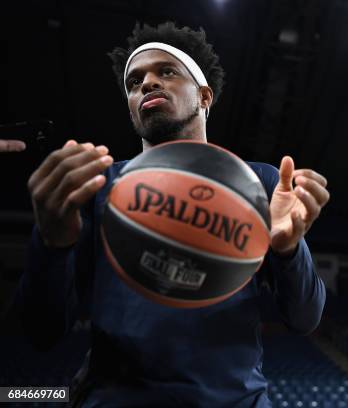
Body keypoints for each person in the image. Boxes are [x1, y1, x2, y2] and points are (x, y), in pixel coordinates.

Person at [12, 22, 329, 407]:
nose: (146, 84)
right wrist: (51, 243)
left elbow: (304, 318)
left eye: (166, 71)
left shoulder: (259, 182)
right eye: (133, 82)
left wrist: (288, 251)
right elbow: (41, 332)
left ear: (205, 96)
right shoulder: (96, 185)